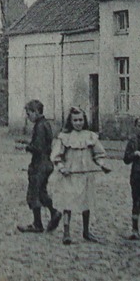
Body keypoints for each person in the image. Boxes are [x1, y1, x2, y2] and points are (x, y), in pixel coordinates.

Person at [51, 106, 112, 245]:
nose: (78, 123)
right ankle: (66, 232)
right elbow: (56, 156)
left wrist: (103, 165)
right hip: (70, 175)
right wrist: (62, 168)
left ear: (84, 120)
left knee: (86, 202)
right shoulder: (64, 137)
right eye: (75, 120)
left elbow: (99, 154)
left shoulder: (90, 136)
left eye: (80, 120)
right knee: (68, 202)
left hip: (85, 174)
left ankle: (86, 231)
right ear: (70, 122)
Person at [16, 100, 60, 233]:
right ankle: (54, 213)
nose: (28, 117)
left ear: (36, 112)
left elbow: (38, 147)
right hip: (47, 163)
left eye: (29, 114)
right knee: (41, 192)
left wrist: (26, 147)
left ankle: (38, 223)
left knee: (33, 194)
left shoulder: (39, 127)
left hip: (39, 164)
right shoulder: (45, 124)